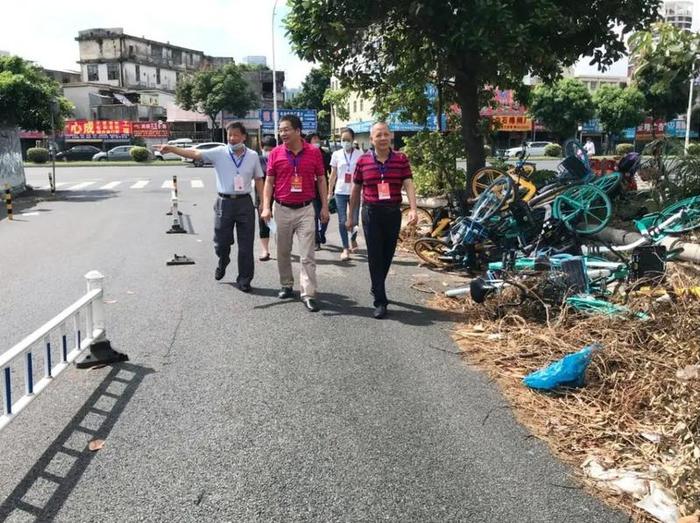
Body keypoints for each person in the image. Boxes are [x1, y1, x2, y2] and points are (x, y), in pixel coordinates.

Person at [154, 122, 264, 292]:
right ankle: (223, 259)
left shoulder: (252, 156)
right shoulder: (219, 153)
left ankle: (244, 279)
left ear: (244, 137)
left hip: (244, 203)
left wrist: (263, 202)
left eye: (236, 135)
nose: (232, 138)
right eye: (229, 135)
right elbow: (196, 153)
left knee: (246, 245)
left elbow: (258, 179)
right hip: (224, 202)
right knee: (221, 242)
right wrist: (172, 149)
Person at [347, 122, 417, 319]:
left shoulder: (401, 159)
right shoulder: (363, 161)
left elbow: (409, 184)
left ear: (391, 136)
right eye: (379, 135)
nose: (383, 138)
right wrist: (351, 217)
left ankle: (376, 284)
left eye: (386, 134)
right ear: (372, 139)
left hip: (393, 212)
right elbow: (355, 190)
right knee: (375, 255)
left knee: (387, 254)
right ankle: (380, 300)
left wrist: (413, 209)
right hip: (371, 213)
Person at [260, 115, 330, 312]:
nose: (282, 133)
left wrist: (324, 206)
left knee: (307, 254)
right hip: (281, 208)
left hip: (306, 209)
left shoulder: (314, 153)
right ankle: (286, 284)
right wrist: (266, 206)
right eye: (280, 130)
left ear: (298, 131)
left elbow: (322, 180)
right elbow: (269, 182)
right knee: (283, 251)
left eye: (286, 129)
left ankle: (308, 293)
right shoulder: (275, 153)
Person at [328, 127, 361, 261]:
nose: (345, 142)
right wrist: (329, 192)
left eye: (348, 139)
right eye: (343, 140)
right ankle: (345, 248)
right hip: (340, 191)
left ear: (353, 140)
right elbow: (333, 174)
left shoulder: (360, 154)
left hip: (355, 191)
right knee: (342, 221)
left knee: (354, 220)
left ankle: (353, 238)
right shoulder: (336, 154)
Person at [307, 133, 331, 250]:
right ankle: (316, 240)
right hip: (311, 188)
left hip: (323, 187)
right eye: (314, 139)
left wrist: (332, 188)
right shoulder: (306, 154)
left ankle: (322, 233)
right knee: (315, 215)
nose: (317, 141)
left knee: (326, 215)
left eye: (318, 139)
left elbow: (330, 172)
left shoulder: (325, 154)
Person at [257, 136, 277, 261]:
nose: (268, 151)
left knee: (281, 223)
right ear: (261, 148)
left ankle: (283, 247)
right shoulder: (258, 161)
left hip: (279, 196)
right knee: (263, 223)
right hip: (261, 196)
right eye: (266, 149)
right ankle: (265, 250)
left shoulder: (280, 158)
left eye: (271, 149)